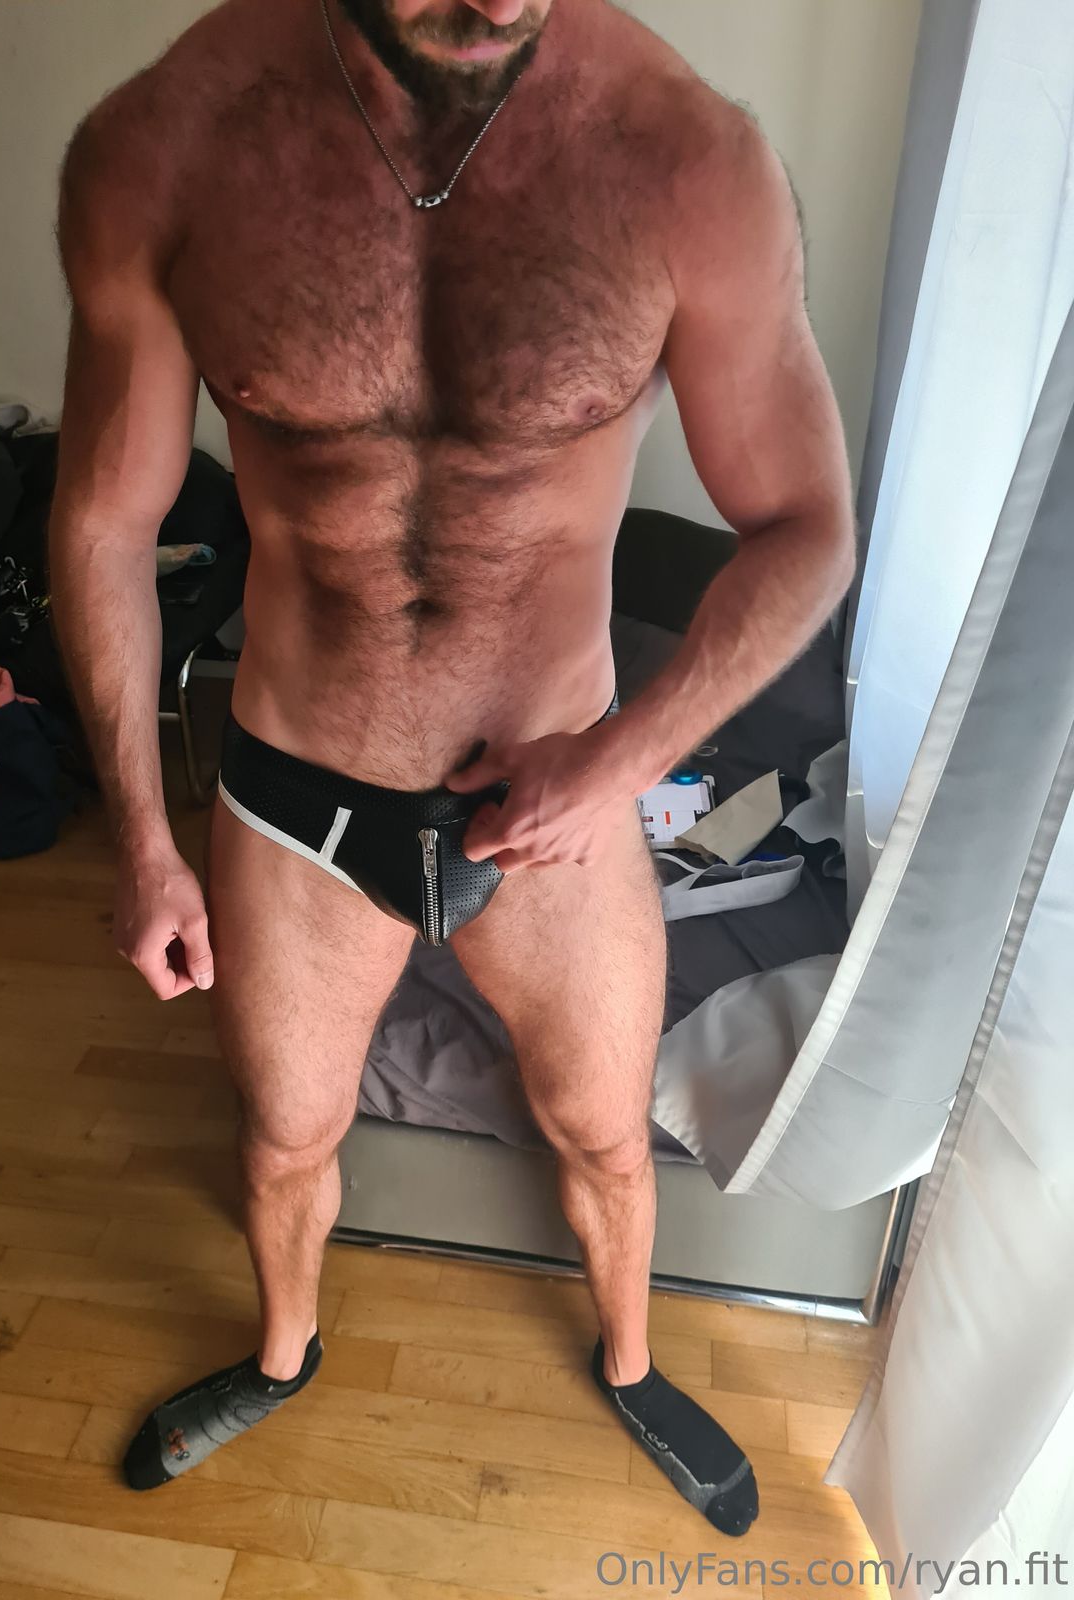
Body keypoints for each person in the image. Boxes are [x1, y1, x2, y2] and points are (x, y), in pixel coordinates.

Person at [47, 0, 856, 1536]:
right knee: (287, 1134)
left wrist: (618, 761)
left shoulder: (687, 162)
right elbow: (103, 522)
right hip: (296, 799)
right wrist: (143, 840)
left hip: (557, 804)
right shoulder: (164, 149)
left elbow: (806, 526)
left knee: (604, 1131)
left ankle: (630, 1363)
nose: (491, 3)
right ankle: (282, 1355)